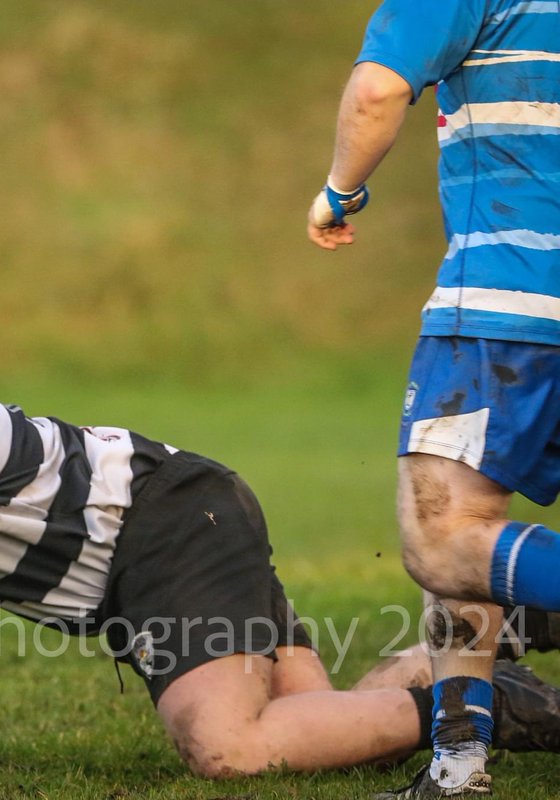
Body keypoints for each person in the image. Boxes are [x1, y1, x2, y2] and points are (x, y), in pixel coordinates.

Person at [0, 281, 560, 784]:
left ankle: (487, 709)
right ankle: (481, 644)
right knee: (302, 725)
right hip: (158, 535)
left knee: (230, 750)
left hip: (163, 528)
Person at [306, 0, 560, 796]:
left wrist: (338, 190)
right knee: (469, 551)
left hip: (510, 304)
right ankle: (458, 762)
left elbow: (378, 92)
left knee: (443, 538)